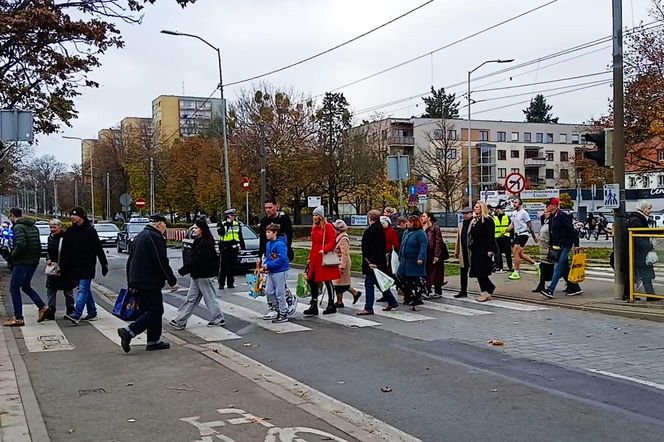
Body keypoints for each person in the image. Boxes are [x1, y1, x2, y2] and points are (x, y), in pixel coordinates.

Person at [118, 214, 178, 353]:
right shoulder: (155, 237)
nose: (165, 228)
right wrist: (172, 280)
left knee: (151, 310)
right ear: (158, 224)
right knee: (156, 310)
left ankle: (153, 341)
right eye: (165, 225)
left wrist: (130, 281)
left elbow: (130, 260)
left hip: (138, 280)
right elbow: (161, 260)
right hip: (149, 281)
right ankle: (129, 331)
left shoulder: (141, 235)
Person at [169, 219, 225, 329]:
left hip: (205, 275)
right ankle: (180, 320)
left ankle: (218, 318)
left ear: (202, 230)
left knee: (209, 298)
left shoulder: (206, 243)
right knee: (191, 299)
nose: (194, 230)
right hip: (197, 275)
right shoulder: (199, 241)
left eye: (196, 228)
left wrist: (183, 270)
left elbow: (198, 261)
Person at [60, 207, 108, 324]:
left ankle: (77, 314)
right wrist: (62, 266)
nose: (72, 217)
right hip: (74, 266)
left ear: (81, 217)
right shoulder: (70, 232)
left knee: (82, 289)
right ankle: (92, 311)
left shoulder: (90, 231)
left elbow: (98, 248)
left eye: (75, 215)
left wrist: (104, 263)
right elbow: (65, 250)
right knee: (85, 289)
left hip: (87, 265)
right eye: (71, 215)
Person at [3, 208, 49, 327]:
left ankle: (18, 318)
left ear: (12, 216)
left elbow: (21, 245)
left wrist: (12, 257)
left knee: (14, 288)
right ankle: (42, 306)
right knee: (26, 286)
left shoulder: (18, 228)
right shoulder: (33, 227)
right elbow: (37, 245)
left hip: (22, 262)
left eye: (10, 217)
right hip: (33, 261)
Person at [358, 210, 399, 315]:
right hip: (373, 261)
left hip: (372, 262)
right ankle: (392, 301)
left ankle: (368, 308)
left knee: (369, 284)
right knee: (379, 282)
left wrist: (373, 262)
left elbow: (377, 248)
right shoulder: (377, 228)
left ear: (370, 218)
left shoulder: (375, 229)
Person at [540, 198, 582, 299]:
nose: (546, 207)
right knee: (564, 268)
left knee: (558, 266)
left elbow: (572, 231)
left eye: (548, 205)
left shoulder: (562, 216)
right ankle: (574, 287)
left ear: (554, 206)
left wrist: (576, 244)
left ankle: (550, 290)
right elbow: (552, 232)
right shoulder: (552, 217)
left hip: (565, 245)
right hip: (556, 246)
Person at [303, 206, 340, 316]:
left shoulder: (328, 227)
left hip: (323, 256)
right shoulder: (314, 228)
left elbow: (332, 240)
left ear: (321, 216)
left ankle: (331, 304)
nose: (314, 217)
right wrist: (310, 257)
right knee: (311, 280)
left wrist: (325, 249)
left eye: (316, 215)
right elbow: (313, 243)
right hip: (315, 256)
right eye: (313, 215)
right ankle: (314, 304)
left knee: (327, 280)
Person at [621, 201, 656, 300]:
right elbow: (638, 238)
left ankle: (647, 294)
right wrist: (648, 246)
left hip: (634, 251)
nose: (650, 211)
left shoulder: (636, 218)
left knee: (636, 272)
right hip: (636, 252)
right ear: (643, 209)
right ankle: (648, 294)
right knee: (644, 272)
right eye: (648, 209)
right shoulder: (637, 220)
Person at [45, 219, 75, 320]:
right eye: (51, 227)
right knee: (51, 289)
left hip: (65, 268)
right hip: (53, 267)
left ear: (60, 227)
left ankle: (70, 310)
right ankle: (51, 310)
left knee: (68, 290)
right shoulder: (50, 237)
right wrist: (48, 259)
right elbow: (48, 251)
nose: (52, 229)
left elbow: (71, 252)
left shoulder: (66, 238)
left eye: (54, 227)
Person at [396, 215, 428, 309]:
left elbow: (423, 246)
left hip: (414, 260)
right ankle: (408, 295)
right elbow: (403, 244)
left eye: (410, 222)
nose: (408, 224)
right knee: (402, 277)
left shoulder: (420, 233)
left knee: (414, 279)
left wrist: (420, 257)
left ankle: (417, 297)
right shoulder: (407, 232)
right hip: (405, 260)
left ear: (415, 223)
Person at [261, 224, 290, 323]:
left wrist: (268, 265)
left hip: (280, 271)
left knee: (279, 292)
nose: (266, 234)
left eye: (269, 232)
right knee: (269, 291)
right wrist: (265, 265)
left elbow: (282, 259)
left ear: (275, 233)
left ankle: (283, 313)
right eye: (266, 232)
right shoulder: (268, 244)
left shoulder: (280, 244)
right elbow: (268, 257)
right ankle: (277, 308)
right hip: (271, 271)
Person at [469, 202, 496, 302]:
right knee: (478, 271)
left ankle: (486, 291)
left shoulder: (488, 220)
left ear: (482, 208)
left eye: (477, 207)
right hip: (476, 248)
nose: (475, 209)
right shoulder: (477, 220)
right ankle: (487, 289)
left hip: (484, 249)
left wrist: (490, 249)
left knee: (482, 271)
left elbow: (490, 236)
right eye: (475, 207)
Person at [506, 198, 539, 280]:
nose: (514, 204)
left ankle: (516, 272)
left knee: (515, 253)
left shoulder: (524, 213)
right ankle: (536, 264)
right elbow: (512, 224)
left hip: (523, 234)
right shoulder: (514, 213)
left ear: (520, 204)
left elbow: (530, 225)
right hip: (517, 235)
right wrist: (505, 230)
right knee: (520, 254)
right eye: (513, 202)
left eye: (516, 202)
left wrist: (534, 237)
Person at [331, 219, 362, 308]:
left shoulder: (343, 238)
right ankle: (354, 293)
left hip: (342, 262)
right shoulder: (338, 236)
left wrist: (342, 266)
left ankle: (340, 302)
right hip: (337, 261)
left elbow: (345, 253)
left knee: (340, 284)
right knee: (339, 283)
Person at [421, 212, 448, 298]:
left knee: (436, 273)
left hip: (433, 253)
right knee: (428, 272)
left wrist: (436, 255)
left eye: (424, 216)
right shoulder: (422, 227)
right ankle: (427, 290)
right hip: (426, 253)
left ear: (429, 218)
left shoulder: (435, 228)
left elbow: (438, 241)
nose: (422, 217)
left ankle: (437, 291)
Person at [217, 208, 245, 290]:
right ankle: (221, 283)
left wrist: (243, 246)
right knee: (224, 266)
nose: (233, 217)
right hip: (225, 248)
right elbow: (221, 233)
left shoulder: (237, 224)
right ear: (227, 216)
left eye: (234, 215)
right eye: (232, 216)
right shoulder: (222, 224)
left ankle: (230, 283)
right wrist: (228, 224)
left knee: (233, 266)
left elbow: (240, 235)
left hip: (234, 248)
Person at [454, 207, 474, 299]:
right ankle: (463, 291)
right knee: (463, 272)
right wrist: (457, 251)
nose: (465, 215)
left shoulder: (474, 223)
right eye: (464, 214)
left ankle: (486, 289)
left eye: (467, 213)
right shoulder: (461, 225)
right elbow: (458, 239)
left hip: (472, 252)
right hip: (463, 251)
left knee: (478, 272)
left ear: (471, 213)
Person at [492, 205, 513, 273]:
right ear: (497, 210)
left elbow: (511, 227)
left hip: (506, 237)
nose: (502, 210)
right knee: (499, 253)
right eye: (501, 209)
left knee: (508, 253)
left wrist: (512, 237)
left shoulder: (506, 217)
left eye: (503, 209)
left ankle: (510, 266)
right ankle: (500, 267)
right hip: (497, 237)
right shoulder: (493, 218)